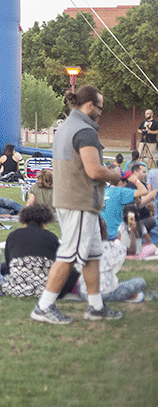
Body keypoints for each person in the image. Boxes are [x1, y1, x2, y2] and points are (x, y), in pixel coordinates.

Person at [30, 85, 124, 324]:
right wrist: (115, 174)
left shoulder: (64, 128)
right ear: (89, 105)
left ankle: (96, 307)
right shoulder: (85, 131)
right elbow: (93, 171)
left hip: (69, 200)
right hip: (79, 202)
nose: (101, 113)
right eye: (100, 108)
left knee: (93, 254)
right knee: (68, 255)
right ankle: (43, 307)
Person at [70, 216, 147, 303]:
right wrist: (132, 232)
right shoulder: (109, 247)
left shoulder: (80, 248)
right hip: (107, 294)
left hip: (86, 294)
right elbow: (132, 250)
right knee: (140, 281)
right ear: (103, 231)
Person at [0, 204, 62, 297]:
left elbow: (9, 264)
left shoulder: (13, 235)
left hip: (14, 289)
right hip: (46, 291)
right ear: (44, 223)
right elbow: (56, 264)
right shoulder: (51, 237)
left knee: (3, 266)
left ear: (24, 221)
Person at [99, 163, 155, 237]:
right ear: (121, 182)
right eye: (126, 181)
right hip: (117, 235)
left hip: (103, 234)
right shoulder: (120, 191)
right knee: (151, 221)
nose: (127, 184)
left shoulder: (105, 191)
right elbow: (144, 191)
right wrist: (135, 180)